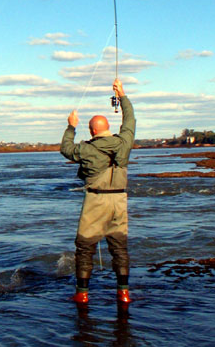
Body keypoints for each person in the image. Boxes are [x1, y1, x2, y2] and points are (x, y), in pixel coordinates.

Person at [60, 79, 136, 305]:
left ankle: (82, 293)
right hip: (120, 201)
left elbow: (65, 149)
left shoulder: (86, 148)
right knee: (119, 248)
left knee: (84, 247)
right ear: (109, 129)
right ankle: (123, 292)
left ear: (92, 131)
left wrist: (71, 126)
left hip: (95, 200)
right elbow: (130, 120)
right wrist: (122, 95)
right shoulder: (124, 143)